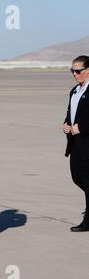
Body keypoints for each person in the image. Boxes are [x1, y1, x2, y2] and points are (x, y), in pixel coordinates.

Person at [63, 55, 89, 232]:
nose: (74, 74)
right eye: (72, 70)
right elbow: (71, 112)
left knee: (87, 180)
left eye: (78, 71)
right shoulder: (75, 91)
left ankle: (88, 220)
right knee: (77, 177)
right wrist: (66, 124)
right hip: (75, 143)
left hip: (87, 141)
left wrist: (83, 128)